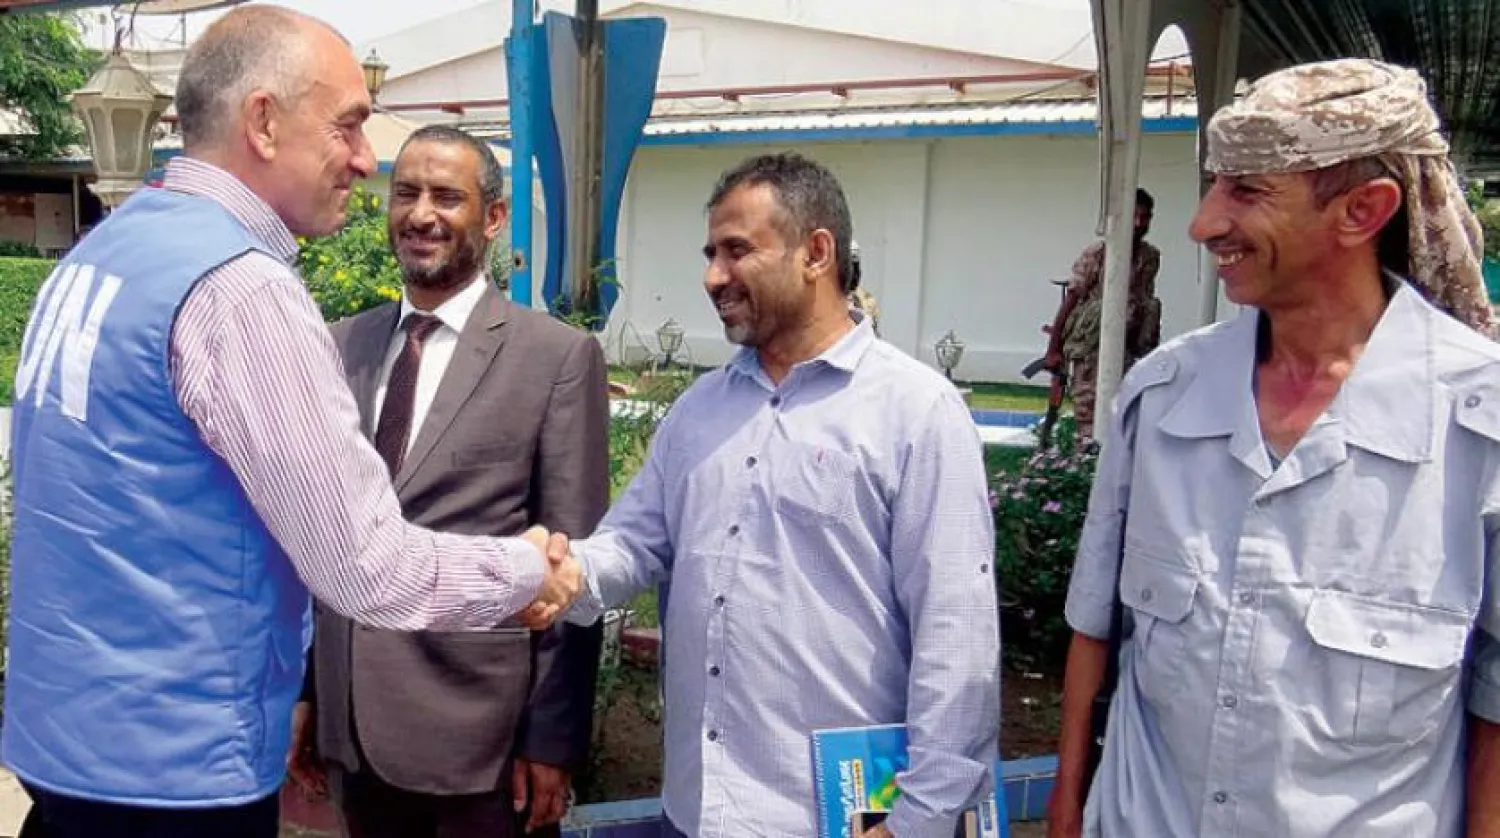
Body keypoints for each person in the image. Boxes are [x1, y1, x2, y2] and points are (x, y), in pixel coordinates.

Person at [3, 8, 579, 838]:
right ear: (264, 122)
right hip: (175, 771)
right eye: (347, 124)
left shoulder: (96, 257)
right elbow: (367, 567)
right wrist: (529, 570)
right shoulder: (240, 288)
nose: (363, 158)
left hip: (67, 750)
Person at [1046, 59, 1500, 838]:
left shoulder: (1477, 427)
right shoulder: (1164, 398)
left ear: (1363, 210)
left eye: (1246, 192)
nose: (1205, 223)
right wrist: (1064, 815)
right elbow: (1096, 634)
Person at [553, 152, 1001, 838]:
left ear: (816, 252)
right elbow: (634, 542)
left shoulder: (915, 412)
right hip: (698, 811)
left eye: (737, 251)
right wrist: (560, 572)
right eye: (710, 253)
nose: (712, 277)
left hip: (839, 821)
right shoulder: (701, 411)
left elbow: (957, 637)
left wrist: (917, 821)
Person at [293, 125, 610, 838]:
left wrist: (551, 739)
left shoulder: (555, 358)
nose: (421, 213)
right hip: (354, 733)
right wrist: (309, 689)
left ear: (494, 218)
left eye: (446, 196)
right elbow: (323, 537)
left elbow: (574, 564)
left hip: (485, 745)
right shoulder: (342, 345)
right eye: (405, 193)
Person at [1044, 188, 1162, 440]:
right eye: (1134, 216)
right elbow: (1071, 301)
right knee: (1090, 420)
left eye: (1146, 217)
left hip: (1131, 352)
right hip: (1092, 351)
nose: (1140, 223)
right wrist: (1053, 349)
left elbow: (1144, 301)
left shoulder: (1149, 257)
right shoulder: (1097, 255)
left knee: (1128, 418)